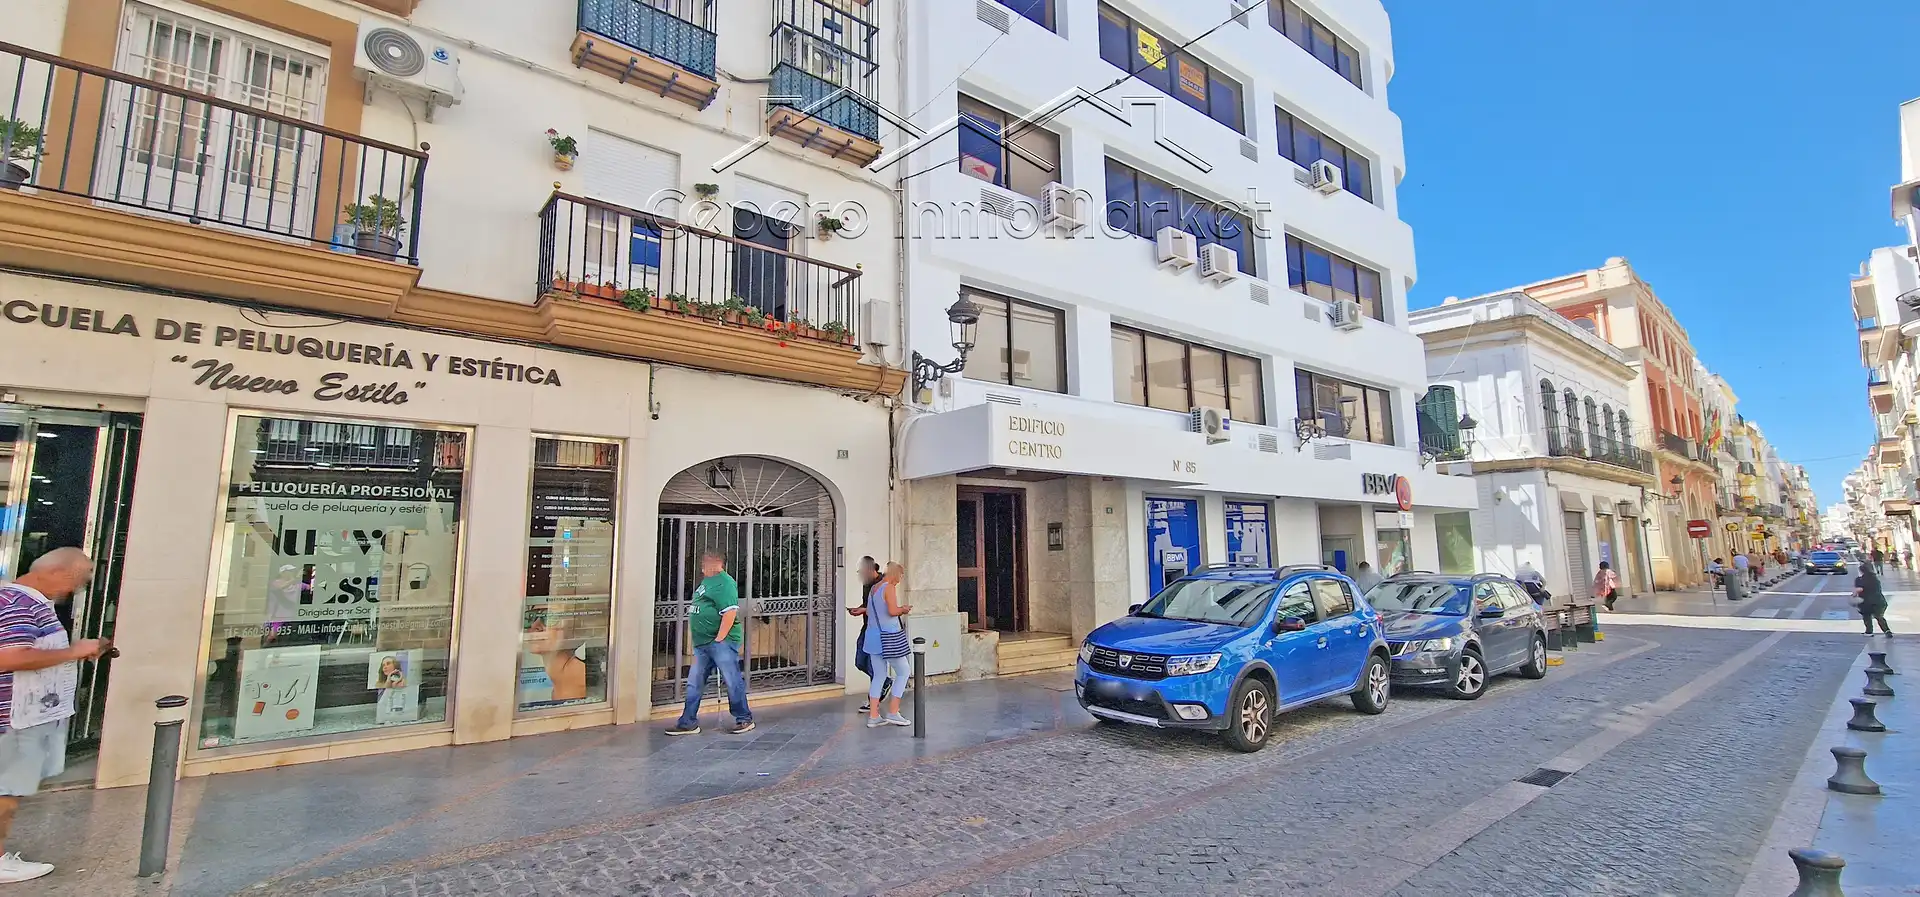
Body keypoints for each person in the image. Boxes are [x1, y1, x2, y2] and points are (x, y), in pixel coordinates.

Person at [0, 548, 111, 883]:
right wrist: (74, 652)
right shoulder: (20, 603)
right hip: (15, 715)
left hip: (22, 713)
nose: (75, 591)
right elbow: (10, 658)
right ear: (57, 572)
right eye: (76, 582)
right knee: (7, 788)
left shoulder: (24, 602)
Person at [667, 548, 753, 736]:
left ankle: (744, 718)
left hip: (720, 642)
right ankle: (688, 722)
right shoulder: (707, 581)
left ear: (716, 563)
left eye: (705, 563)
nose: (702, 566)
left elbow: (729, 613)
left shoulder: (725, 583)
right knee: (694, 682)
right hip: (703, 644)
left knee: (732, 680)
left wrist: (719, 639)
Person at [863, 563, 913, 728]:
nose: (900, 579)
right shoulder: (889, 587)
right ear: (895, 573)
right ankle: (893, 712)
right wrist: (903, 609)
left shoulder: (873, 589)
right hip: (889, 637)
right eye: (901, 574)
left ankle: (874, 716)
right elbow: (892, 611)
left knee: (878, 676)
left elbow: (870, 612)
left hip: (872, 637)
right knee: (904, 671)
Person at [847, 557, 892, 713]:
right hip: (867, 627)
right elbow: (868, 605)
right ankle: (884, 682)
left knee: (875, 665)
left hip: (879, 629)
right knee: (860, 661)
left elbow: (885, 608)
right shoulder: (867, 585)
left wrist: (864, 610)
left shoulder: (884, 584)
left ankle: (873, 701)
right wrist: (858, 609)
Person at [1854, 564, 1894, 637]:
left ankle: (1869, 632)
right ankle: (1887, 630)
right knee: (1879, 616)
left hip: (1866, 602)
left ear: (1861, 571)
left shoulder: (1860, 579)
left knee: (1867, 616)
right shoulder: (1875, 578)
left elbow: (1859, 589)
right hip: (1879, 600)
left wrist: (1853, 595)